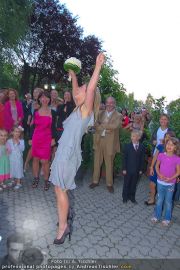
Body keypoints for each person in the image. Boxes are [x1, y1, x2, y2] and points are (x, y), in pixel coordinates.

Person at [49, 53, 105, 245]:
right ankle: (65, 218)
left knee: (61, 189)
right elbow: (76, 92)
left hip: (69, 154)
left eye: (82, 88)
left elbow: (90, 90)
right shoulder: (77, 109)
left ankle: (63, 227)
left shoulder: (85, 111)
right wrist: (73, 76)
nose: (79, 90)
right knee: (58, 189)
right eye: (80, 88)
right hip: (63, 152)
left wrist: (97, 67)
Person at [89, 96, 122, 193]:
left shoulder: (118, 115)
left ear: (114, 104)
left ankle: (109, 184)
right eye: (108, 102)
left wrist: (102, 125)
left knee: (109, 164)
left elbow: (115, 126)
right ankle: (95, 181)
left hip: (110, 143)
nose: (109, 104)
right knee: (97, 162)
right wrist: (106, 128)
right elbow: (95, 125)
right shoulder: (100, 113)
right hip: (99, 141)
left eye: (111, 102)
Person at [30, 91, 56, 191]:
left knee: (45, 161)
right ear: (39, 99)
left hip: (47, 139)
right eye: (42, 98)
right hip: (36, 138)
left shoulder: (52, 112)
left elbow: (54, 127)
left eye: (47, 98)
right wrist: (30, 138)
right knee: (35, 159)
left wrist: (53, 139)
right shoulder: (36, 111)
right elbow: (32, 125)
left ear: (49, 99)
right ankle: (36, 178)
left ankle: (46, 180)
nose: (44, 99)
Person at [151, 137, 180, 226]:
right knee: (159, 200)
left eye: (172, 145)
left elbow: (178, 171)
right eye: (168, 144)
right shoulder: (161, 155)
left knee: (168, 201)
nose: (169, 146)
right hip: (160, 182)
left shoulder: (177, 158)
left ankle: (167, 218)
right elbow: (156, 166)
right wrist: (159, 174)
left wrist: (171, 178)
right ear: (165, 145)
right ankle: (157, 216)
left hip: (170, 184)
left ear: (175, 147)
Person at [145, 131, 176, 206]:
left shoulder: (174, 149)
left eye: (169, 137)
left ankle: (162, 201)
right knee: (152, 184)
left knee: (163, 187)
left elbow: (176, 162)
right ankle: (152, 199)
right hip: (156, 168)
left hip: (166, 171)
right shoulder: (160, 146)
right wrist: (151, 167)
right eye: (166, 137)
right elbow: (155, 157)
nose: (167, 139)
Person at [24, 88, 44, 172]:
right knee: (32, 146)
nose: (35, 93)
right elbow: (32, 115)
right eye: (34, 92)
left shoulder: (43, 102)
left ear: (41, 93)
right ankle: (26, 163)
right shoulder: (32, 103)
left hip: (42, 128)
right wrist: (30, 121)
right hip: (34, 127)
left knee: (42, 147)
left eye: (37, 92)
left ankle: (43, 167)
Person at [122, 130, 145, 203]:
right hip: (128, 170)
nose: (133, 138)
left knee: (134, 184)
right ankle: (125, 197)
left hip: (136, 170)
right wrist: (124, 168)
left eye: (134, 136)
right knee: (126, 183)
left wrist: (141, 169)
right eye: (132, 136)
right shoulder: (127, 146)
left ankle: (132, 197)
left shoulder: (142, 147)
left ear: (139, 137)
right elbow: (124, 158)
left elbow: (142, 159)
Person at [7, 126, 25, 190]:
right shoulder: (9, 141)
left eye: (18, 132)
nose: (17, 133)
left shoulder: (21, 141)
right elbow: (8, 149)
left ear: (20, 133)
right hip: (11, 158)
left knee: (18, 169)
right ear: (12, 132)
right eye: (15, 131)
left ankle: (18, 182)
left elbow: (22, 149)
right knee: (12, 169)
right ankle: (12, 180)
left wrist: (18, 143)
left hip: (18, 158)